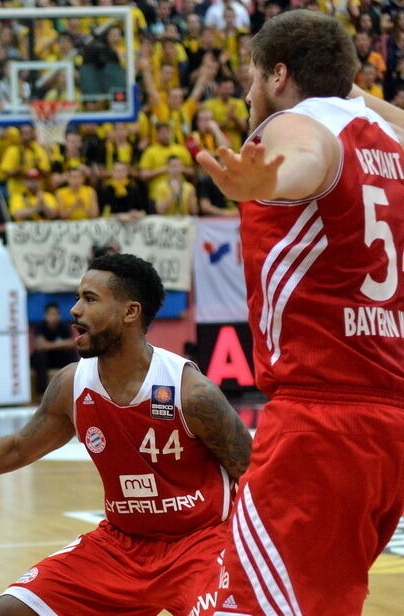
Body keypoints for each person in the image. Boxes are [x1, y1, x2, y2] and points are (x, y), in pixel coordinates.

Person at [0, 254, 252, 616]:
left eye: (90, 299)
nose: (75, 310)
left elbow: (256, 478)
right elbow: (16, 449)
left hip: (201, 544)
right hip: (120, 546)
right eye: (78, 297)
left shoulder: (191, 393)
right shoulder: (71, 385)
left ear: (131, 312)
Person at [192, 10, 404, 615]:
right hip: (388, 430)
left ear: (280, 75)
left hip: (319, 426)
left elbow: (308, 156)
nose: (249, 92)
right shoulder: (386, 138)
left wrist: (273, 179)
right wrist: (356, 94)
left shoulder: (295, 126)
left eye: (255, 76)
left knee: (238, 605)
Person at [30, 302, 78, 400]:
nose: (54, 317)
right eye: (51, 314)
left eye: (56, 314)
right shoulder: (41, 326)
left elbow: (72, 343)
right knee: (40, 357)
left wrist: (50, 345)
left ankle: (75, 390)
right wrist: (61, 344)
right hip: (45, 359)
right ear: (46, 315)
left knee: (72, 355)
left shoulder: (63, 326)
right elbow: (41, 346)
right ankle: (42, 393)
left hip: (57, 357)